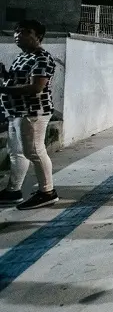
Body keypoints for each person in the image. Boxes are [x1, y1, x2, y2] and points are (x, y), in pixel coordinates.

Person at [0, 20, 59, 210]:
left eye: (25, 32)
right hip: (16, 112)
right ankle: (13, 190)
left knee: (34, 151)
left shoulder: (42, 58)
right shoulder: (22, 57)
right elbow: (16, 80)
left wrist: (3, 89)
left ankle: (47, 192)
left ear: (38, 37)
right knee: (17, 153)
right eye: (17, 32)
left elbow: (36, 87)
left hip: (33, 113)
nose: (18, 35)